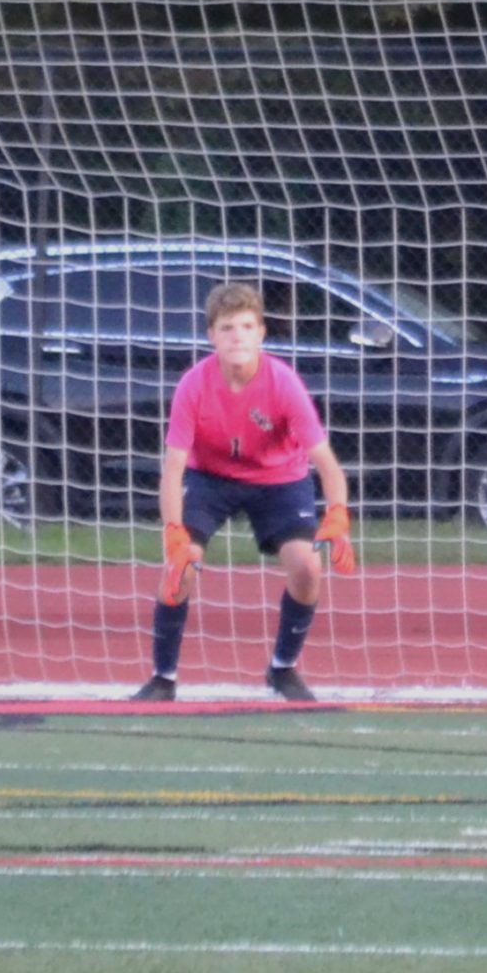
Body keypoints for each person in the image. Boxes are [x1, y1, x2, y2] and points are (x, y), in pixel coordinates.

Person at [134, 281, 356, 703]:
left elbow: (326, 462)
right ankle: (163, 678)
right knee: (182, 566)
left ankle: (283, 669)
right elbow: (173, 467)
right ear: (211, 336)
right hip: (210, 478)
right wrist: (173, 533)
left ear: (262, 334)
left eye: (247, 326)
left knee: (308, 568)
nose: (237, 336)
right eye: (227, 327)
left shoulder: (284, 384)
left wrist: (339, 515)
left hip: (279, 479)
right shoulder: (193, 385)